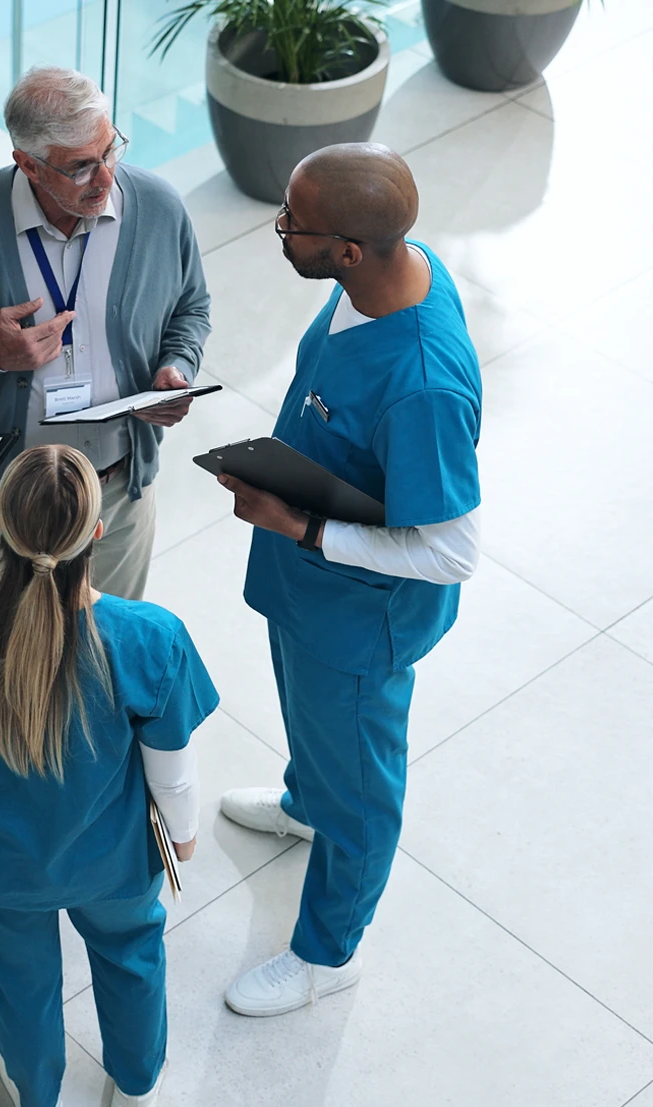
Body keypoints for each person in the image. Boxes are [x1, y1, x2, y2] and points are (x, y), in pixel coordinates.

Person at [215, 143, 482, 1017]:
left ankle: (329, 952)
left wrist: (305, 527)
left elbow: (450, 551)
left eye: (295, 224)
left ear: (351, 252)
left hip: (358, 620)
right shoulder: (382, 273)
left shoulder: (426, 383)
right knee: (309, 727)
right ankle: (304, 803)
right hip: (306, 580)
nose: (280, 230)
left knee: (362, 793)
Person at [0, 444, 218, 1107]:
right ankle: (136, 1084)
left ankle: (34, 1091)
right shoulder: (152, 636)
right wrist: (180, 838)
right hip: (115, 858)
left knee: (19, 980)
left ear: (1, 522)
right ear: (97, 532)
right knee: (130, 957)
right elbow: (172, 771)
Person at [0, 66, 211, 601]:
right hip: (4, 496)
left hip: (118, 492)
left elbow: (190, 306)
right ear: (28, 165)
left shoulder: (157, 206)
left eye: (110, 151)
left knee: (107, 649)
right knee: (0, 649)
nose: (105, 178)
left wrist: (178, 366)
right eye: (81, 167)